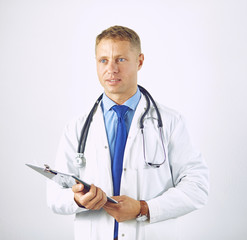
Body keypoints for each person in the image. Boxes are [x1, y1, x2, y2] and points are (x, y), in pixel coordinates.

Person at [47, 25, 209, 240]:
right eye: (103, 60)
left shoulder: (171, 122)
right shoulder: (77, 127)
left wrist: (144, 208)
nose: (111, 69)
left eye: (120, 60)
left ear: (139, 61)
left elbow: (197, 186)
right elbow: (55, 196)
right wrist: (77, 200)